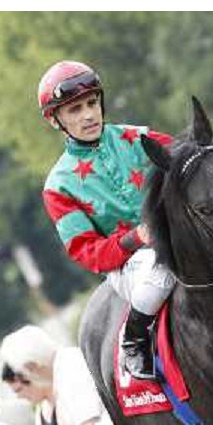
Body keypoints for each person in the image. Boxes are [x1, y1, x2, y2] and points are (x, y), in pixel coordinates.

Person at [38, 61, 175, 380]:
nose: (88, 114)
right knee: (167, 267)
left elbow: (187, 165)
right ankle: (134, 341)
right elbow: (89, 254)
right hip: (130, 265)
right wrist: (138, 237)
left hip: (177, 235)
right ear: (55, 120)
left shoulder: (138, 137)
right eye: (74, 110)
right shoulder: (58, 187)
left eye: (91, 103)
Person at [0, 325, 112, 425]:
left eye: (23, 373)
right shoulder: (61, 372)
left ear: (32, 366)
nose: (27, 378)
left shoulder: (71, 368)